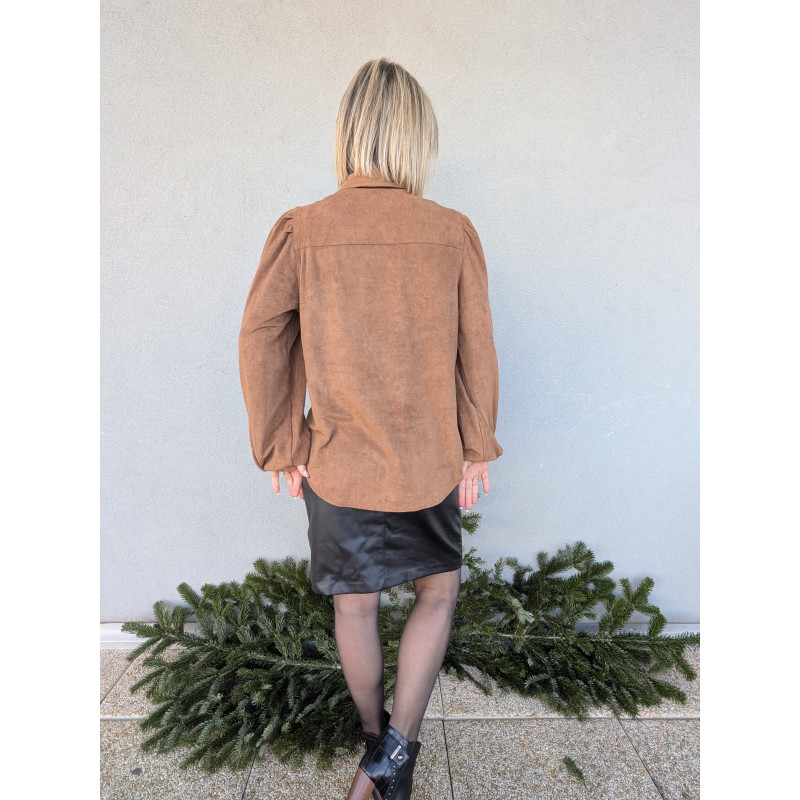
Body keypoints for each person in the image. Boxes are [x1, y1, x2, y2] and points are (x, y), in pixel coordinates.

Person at [238, 57, 503, 800]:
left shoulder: (303, 229)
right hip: (427, 457)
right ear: (416, 136)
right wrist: (475, 444)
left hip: (340, 459)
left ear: (348, 132)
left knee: (355, 605)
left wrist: (281, 443)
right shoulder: (451, 231)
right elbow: (476, 347)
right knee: (437, 593)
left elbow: (261, 335)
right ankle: (394, 757)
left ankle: (373, 745)